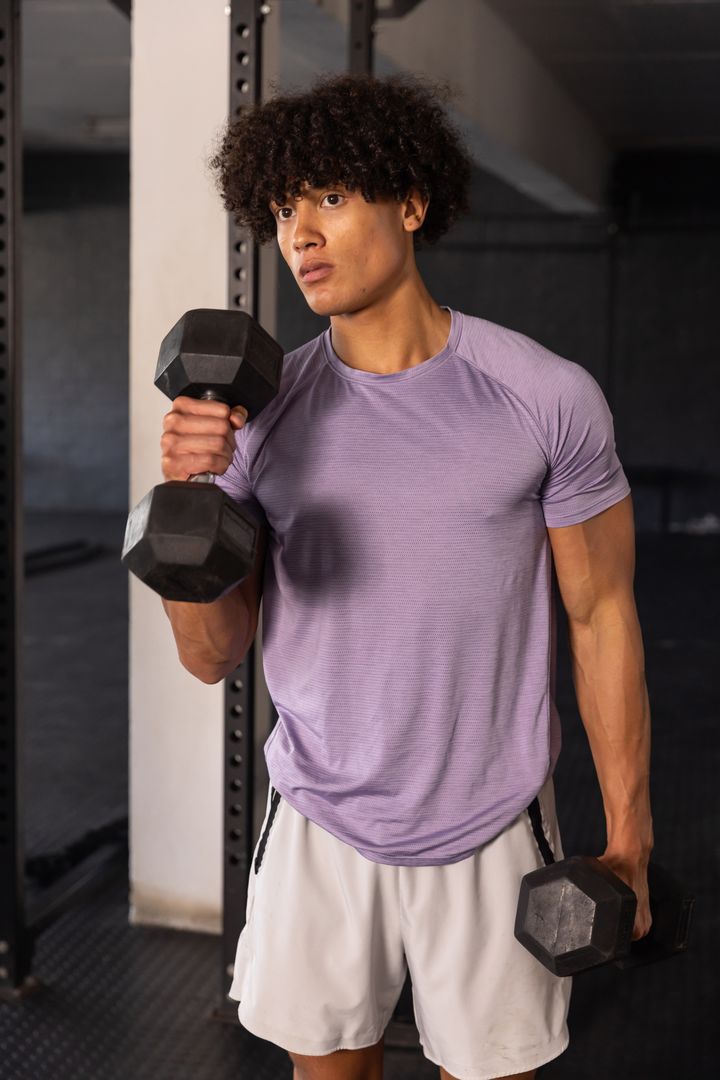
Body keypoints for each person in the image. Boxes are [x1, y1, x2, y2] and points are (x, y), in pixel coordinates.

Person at [161, 72, 654, 1080]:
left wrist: (629, 838)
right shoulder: (263, 421)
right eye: (284, 209)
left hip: (493, 821)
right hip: (319, 819)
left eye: (331, 199)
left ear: (411, 202)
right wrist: (185, 505)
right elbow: (211, 657)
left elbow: (602, 615)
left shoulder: (545, 396)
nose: (300, 233)